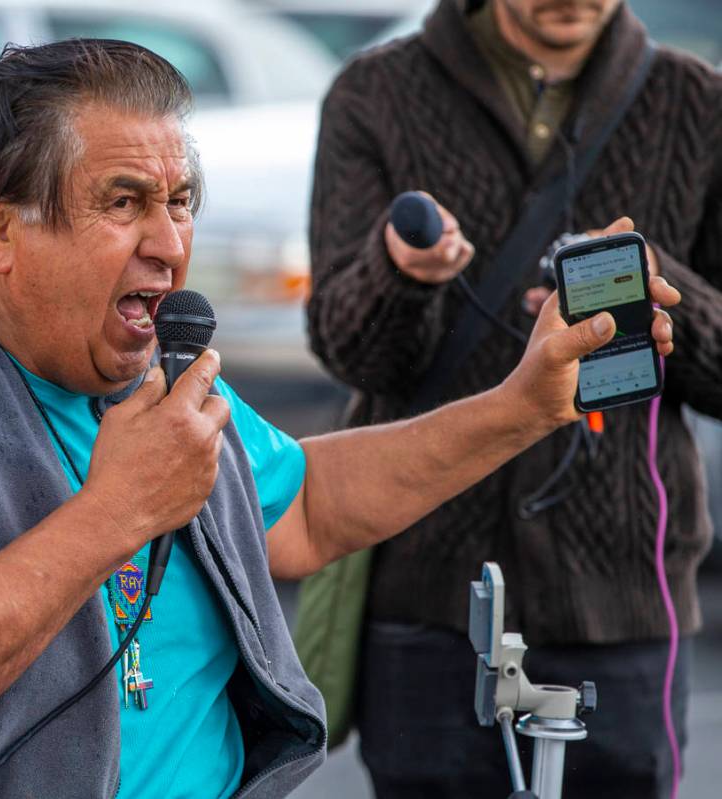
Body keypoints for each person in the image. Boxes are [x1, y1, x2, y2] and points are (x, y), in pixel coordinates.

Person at [0, 39, 678, 799]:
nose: (171, 246)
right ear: (0, 227)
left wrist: (524, 404)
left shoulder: (148, 374)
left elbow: (305, 510)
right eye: (124, 202)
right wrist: (115, 512)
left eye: (180, 202)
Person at [307, 0, 722, 797]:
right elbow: (346, 345)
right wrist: (400, 276)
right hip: (429, 595)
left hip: (625, 601)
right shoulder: (374, 93)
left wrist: (650, 285)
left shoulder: (696, 102)